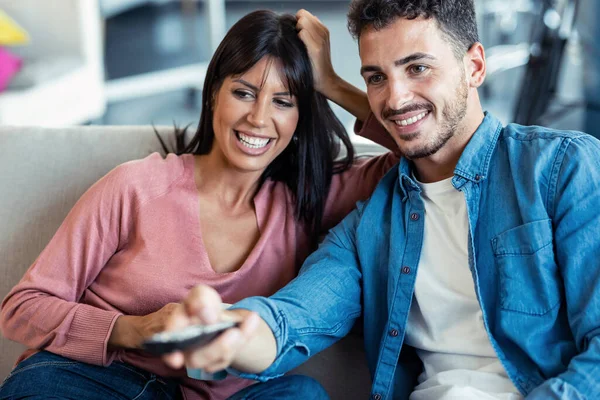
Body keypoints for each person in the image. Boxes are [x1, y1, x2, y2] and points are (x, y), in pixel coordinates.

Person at [164, 2, 600, 400]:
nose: (394, 98)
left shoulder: (560, 168)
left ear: (475, 66)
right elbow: (294, 317)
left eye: (417, 68)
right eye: (376, 77)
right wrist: (227, 332)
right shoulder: (370, 223)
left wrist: (330, 84)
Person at [0, 10, 399, 400]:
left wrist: (331, 83)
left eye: (283, 101)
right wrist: (134, 329)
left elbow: (422, 150)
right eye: (244, 93)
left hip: (223, 394)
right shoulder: (135, 187)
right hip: (98, 381)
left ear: (300, 116)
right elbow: (22, 307)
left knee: (302, 393)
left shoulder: (309, 198)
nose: (259, 118)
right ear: (213, 95)